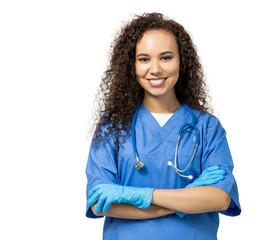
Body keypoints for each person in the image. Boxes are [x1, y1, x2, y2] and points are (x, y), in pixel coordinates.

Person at [85, 12, 241, 240]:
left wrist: (140, 195)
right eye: (144, 59)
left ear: (182, 62)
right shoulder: (112, 127)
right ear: (131, 65)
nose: (155, 69)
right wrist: (186, 200)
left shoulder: (207, 127)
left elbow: (220, 198)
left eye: (166, 57)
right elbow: (100, 203)